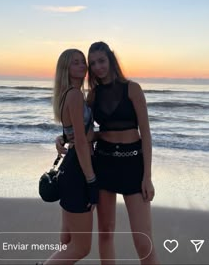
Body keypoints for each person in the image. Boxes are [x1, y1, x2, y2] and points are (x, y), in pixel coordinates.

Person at [56, 42, 159, 265]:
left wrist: (147, 177)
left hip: (133, 165)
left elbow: (147, 136)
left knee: (143, 239)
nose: (97, 67)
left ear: (111, 59)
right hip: (104, 165)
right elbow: (86, 133)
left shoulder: (132, 89)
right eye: (92, 64)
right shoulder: (92, 96)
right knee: (105, 231)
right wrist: (64, 138)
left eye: (101, 61)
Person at [42, 49, 99, 265]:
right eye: (76, 63)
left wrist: (62, 138)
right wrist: (91, 180)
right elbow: (82, 142)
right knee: (81, 248)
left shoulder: (69, 93)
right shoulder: (75, 95)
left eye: (83, 62)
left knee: (67, 240)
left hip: (70, 168)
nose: (83, 66)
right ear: (66, 68)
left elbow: (74, 134)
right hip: (77, 170)